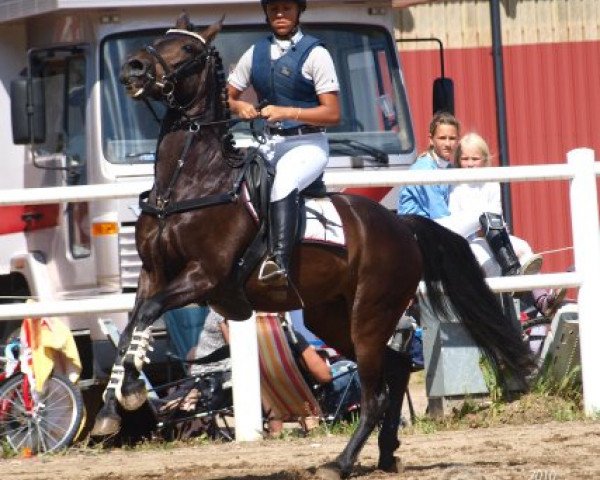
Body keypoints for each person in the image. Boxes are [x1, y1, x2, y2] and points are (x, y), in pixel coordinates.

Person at [227, 0, 341, 286]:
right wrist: (237, 106)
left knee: (284, 181)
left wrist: (289, 112)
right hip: (269, 143)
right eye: (274, 9)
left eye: (286, 8)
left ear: (298, 12)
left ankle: (279, 262)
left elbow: (333, 113)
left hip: (308, 144)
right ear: (266, 12)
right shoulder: (254, 53)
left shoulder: (316, 54)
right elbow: (225, 97)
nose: (280, 14)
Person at [449, 133, 565, 316]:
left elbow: (496, 214)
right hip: (470, 240)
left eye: (475, 158)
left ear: (485, 160)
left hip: (494, 235)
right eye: (465, 158)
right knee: (490, 263)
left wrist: (492, 229)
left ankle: (541, 299)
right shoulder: (455, 186)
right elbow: (457, 222)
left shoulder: (491, 181)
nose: (470, 163)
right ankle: (506, 304)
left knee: (524, 247)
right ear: (458, 160)